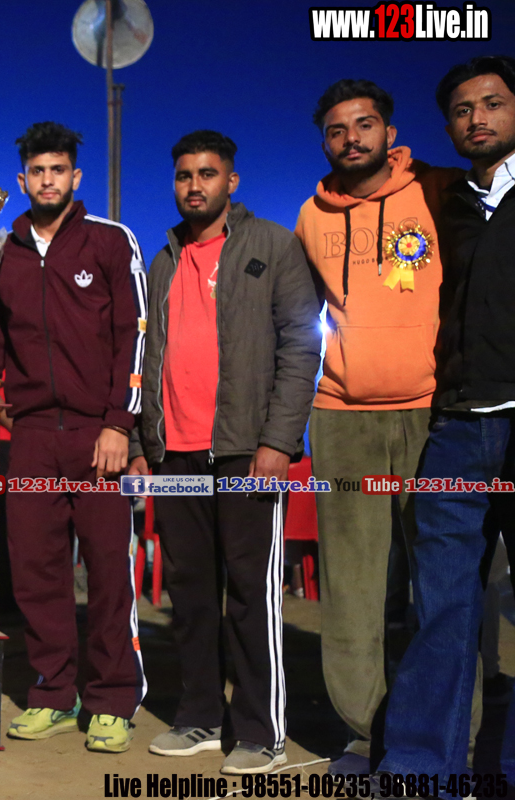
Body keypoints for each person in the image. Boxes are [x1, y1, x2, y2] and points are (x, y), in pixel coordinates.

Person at [130, 130, 320, 774]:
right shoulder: (163, 260)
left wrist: (278, 441)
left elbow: (301, 345)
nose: (194, 185)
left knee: (249, 593)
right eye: (184, 175)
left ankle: (262, 732)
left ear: (231, 181)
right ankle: (200, 717)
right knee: (188, 592)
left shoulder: (272, 245)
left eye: (207, 174)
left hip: (244, 452)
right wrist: (145, 442)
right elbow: (147, 358)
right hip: (174, 455)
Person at [294, 79, 460, 776]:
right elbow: (299, 319)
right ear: (324, 142)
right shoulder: (311, 215)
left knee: (445, 583)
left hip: (433, 413)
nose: (351, 138)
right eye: (336, 130)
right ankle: (366, 733)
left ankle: (450, 732)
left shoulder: (439, 192)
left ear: (390, 132)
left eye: (364, 124)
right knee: (353, 590)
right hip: (341, 418)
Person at [0, 121, 147, 754]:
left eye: (58, 170)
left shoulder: (110, 241)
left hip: (96, 434)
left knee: (107, 571)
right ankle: (53, 692)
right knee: (35, 571)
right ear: (21, 180)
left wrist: (118, 423)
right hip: (28, 436)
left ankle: (112, 700)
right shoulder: (3, 253)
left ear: (76, 176)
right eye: (37, 171)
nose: (47, 180)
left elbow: (134, 334)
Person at [379, 54, 515, 784]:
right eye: (462, 110)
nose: (477, 119)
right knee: (440, 607)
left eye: (492, 103)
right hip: (457, 426)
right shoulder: (446, 202)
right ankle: (419, 771)